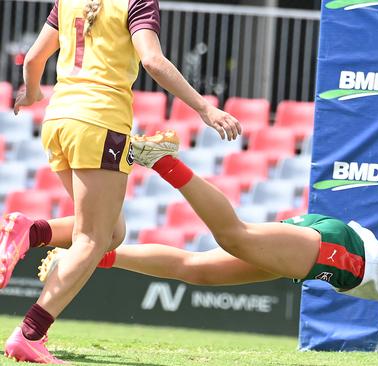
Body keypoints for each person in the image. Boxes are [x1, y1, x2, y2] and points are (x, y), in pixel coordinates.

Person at [32, 131, 378, 365]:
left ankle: (97, 256)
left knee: (199, 271)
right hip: (336, 252)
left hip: (333, 253)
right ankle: (167, 162)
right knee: (232, 235)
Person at [0, 0, 240, 362]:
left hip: (58, 120)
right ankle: (31, 333)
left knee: (111, 233)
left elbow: (34, 58)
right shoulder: (137, 1)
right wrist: (205, 107)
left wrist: (33, 92)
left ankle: (32, 232)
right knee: (94, 238)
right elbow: (153, 61)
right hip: (100, 122)